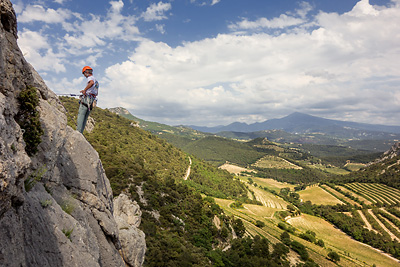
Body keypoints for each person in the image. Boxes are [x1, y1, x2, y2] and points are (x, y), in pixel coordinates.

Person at [77, 66, 99, 133]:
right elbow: (96, 93)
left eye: (84, 73)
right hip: (92, 100)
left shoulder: (91, 78)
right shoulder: (97, 82)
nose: (84, 75)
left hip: (87, 99)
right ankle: (81, 133)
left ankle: (78, 132)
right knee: (85, 118)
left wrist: (84, 90)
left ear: (86, 72)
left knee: (81, 116)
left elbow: (91, 83)